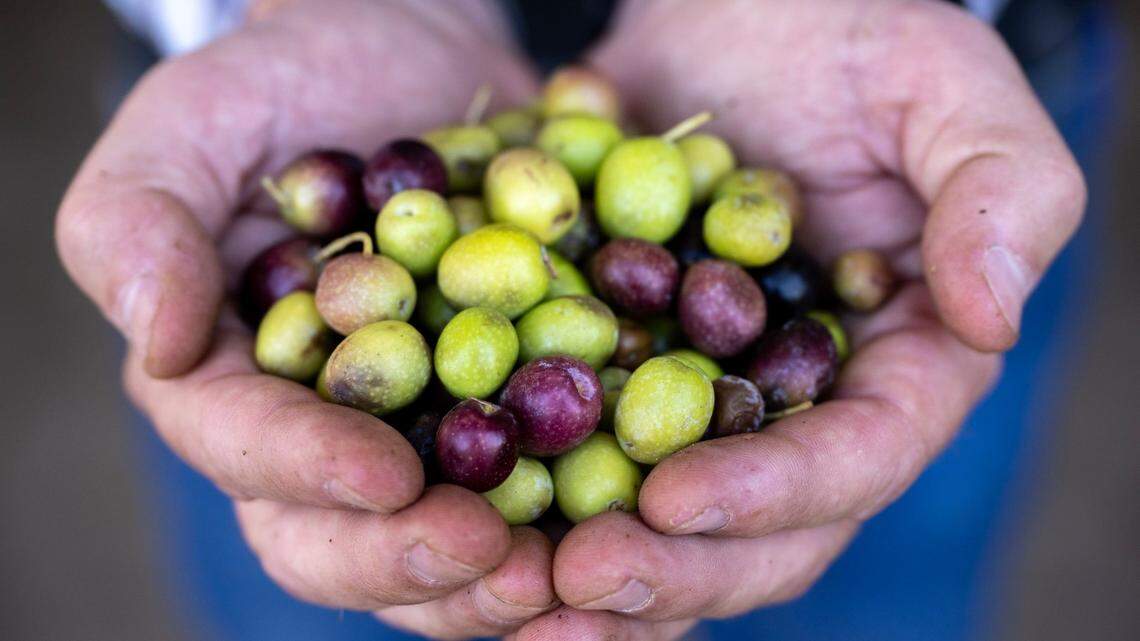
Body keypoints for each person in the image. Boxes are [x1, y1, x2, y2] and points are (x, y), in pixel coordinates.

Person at [56, 1, 1108, 639]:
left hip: (915, 104)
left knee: (880, 591)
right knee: (317, 580)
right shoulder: (470, 306)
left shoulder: (619, 315)